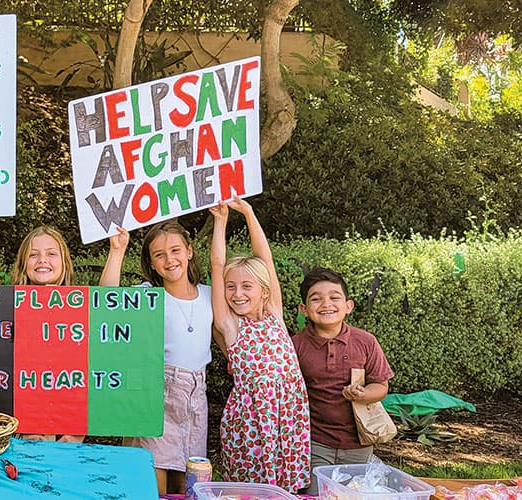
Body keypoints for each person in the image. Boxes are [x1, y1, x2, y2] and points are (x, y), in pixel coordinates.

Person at [100, 221, 216, 495]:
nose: (169, 259)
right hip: (157, 393)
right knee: (152, 478)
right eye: (159, 255)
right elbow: (107, 303)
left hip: (196, 398)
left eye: (175, 250)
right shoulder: (147, 295)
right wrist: (117, 250)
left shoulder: (210, 295)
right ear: (151, 264)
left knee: (187, 482)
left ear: (189, 251)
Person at [209, 198, 311, 492]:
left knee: (287, 487)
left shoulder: (274, 314)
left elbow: (265, 258)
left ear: (264, 291)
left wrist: (249, 213)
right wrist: (221, 220)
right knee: (249, 488)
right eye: (231, 287)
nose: (237, 294)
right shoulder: (230, 325)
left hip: (288, 413)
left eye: (246, 286)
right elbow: (217, 265)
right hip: (252, 420)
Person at [292, 268, 394, 490]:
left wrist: (365, 394)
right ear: (304, 310)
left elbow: (381, 385)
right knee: (316, 494)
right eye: (316, 299)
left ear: (348, 306)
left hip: (358, 443)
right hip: (314, 442)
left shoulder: (365, 342)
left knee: (353, 494)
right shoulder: (295, 345)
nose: (326, 304)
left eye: (334, 297)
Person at [13, 226, 84, 444]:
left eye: (51, 254)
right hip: (23, 429)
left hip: (69, 432)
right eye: (34, 254)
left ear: (64, 262)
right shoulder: (8, 306)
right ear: (24, 265)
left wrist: (75, 433)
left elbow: (108, 305)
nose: (42, 260)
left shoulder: (80, 307)